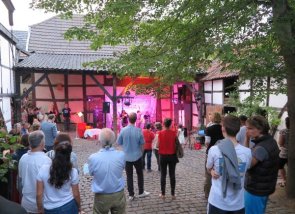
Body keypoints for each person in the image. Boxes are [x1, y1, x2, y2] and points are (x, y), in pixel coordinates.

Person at [206, 115, 252, 213]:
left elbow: (208, 168)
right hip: (238, 204)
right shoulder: (247, 152)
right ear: (238, 130)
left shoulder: (214, 150)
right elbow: (246, 169)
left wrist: (212, 170)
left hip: (217, 201)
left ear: (223, 128)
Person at [244, 115, 280, 214]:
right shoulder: (270, 141)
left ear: (260, 129)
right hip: (264, 187)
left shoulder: (261, 148)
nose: (247, 131)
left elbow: (247, 164)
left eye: (250, 128)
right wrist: (247, 139)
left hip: (256, 189)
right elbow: (249, 155)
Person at [88, 128, 126, 214]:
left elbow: (90, 173)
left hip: (102, 195)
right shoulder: (121, 155)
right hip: (118, 193)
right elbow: (122, 167)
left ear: (100, 140)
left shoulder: (93, 158)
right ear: (113, 140)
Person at [36, 141, 81, 214]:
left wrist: (40, 209)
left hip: (50, 208)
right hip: (68, 206)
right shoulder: (73, 172)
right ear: (69, 155)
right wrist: (79, 206)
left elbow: (39, 194)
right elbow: (76, 194)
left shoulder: (43, 169)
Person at [117, 112, 150, 201]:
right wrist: (141, 154)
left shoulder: (123, 130)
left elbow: (119, 142)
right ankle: (141, 192)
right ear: (136, 120)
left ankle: (131, 194)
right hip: (137, 156)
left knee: (129, 176)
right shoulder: (138, 131)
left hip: (127, 157)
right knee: (140, 174)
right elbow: (142, 145)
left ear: (128, 119)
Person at [18, 130, 52, 213]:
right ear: (42, 143)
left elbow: (19, 181)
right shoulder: (46, 160)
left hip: (26, 203)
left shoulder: (23, 158)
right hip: (41, 205)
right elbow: (49, 184)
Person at [204, 112, 224, 198]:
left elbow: (207, 143)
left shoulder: (209, 129)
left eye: (210, 115)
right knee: (220, 172)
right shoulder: (223, 128)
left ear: (213, 118)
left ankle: (207, 194)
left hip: (211, 152)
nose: (209, 116)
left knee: (208, 173)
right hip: (223, 152)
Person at [158, 118, 178, 200]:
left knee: (163, 175)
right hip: (172, 156)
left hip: (162, 156)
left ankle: (163, 194)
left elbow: (157, 145)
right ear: (170, 125)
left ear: (164, 124)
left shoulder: (160, 133)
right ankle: (173, 194)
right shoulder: (174, 133)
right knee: (172, 175)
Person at [278, 117, 289, 187]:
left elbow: (280, 143)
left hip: (284, 154)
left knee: (280, 166)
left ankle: (284, 180)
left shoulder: (283, 131)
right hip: (293, 153)